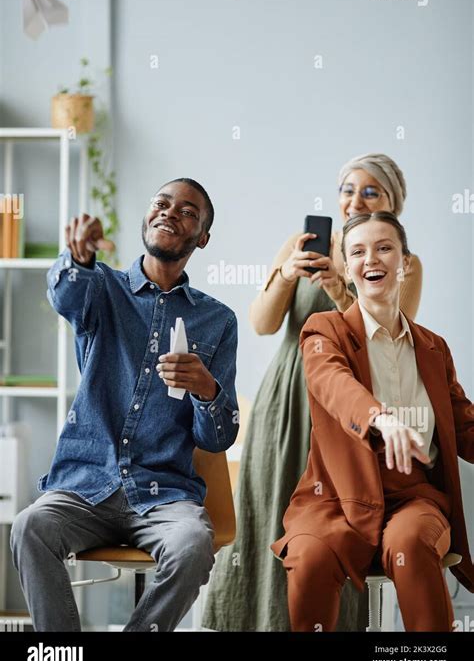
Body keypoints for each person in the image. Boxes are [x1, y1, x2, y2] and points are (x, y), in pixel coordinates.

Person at [203, 153, 422, 632]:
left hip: (350, 406)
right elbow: (261, 324)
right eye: (347, 189)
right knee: (270, 512)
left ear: (393, 206)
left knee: (332, 524)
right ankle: (257, 622)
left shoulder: (403, 263)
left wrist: (342, 292)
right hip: (286, 400)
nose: (354, 200)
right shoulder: (302, 243)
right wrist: (287, 275)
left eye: (370, 192)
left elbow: (390, 343)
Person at [10, 178, 239, 632]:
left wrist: (207, 390)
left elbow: (219, 437)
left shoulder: (218, 320)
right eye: (161, 203)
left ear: (203, 238)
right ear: (147, 217)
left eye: (188, 211)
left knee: (193, 544)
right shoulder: (100, 287)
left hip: (164, 495)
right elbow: (65, 293)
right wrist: (77, 257)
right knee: (29, 527)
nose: (170, 213)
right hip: (84, 486)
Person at [272, 211, 474, 631]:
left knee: (412, 543)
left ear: (405, 263)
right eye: (358, 252)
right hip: (334, 496)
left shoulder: (434, 348)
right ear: (346, 268)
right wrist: (381, 419)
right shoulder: (324, 329)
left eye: (384, 248)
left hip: (413, 495)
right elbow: (332, 382)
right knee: (309, 557)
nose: (372, 259)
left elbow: (464, 427)